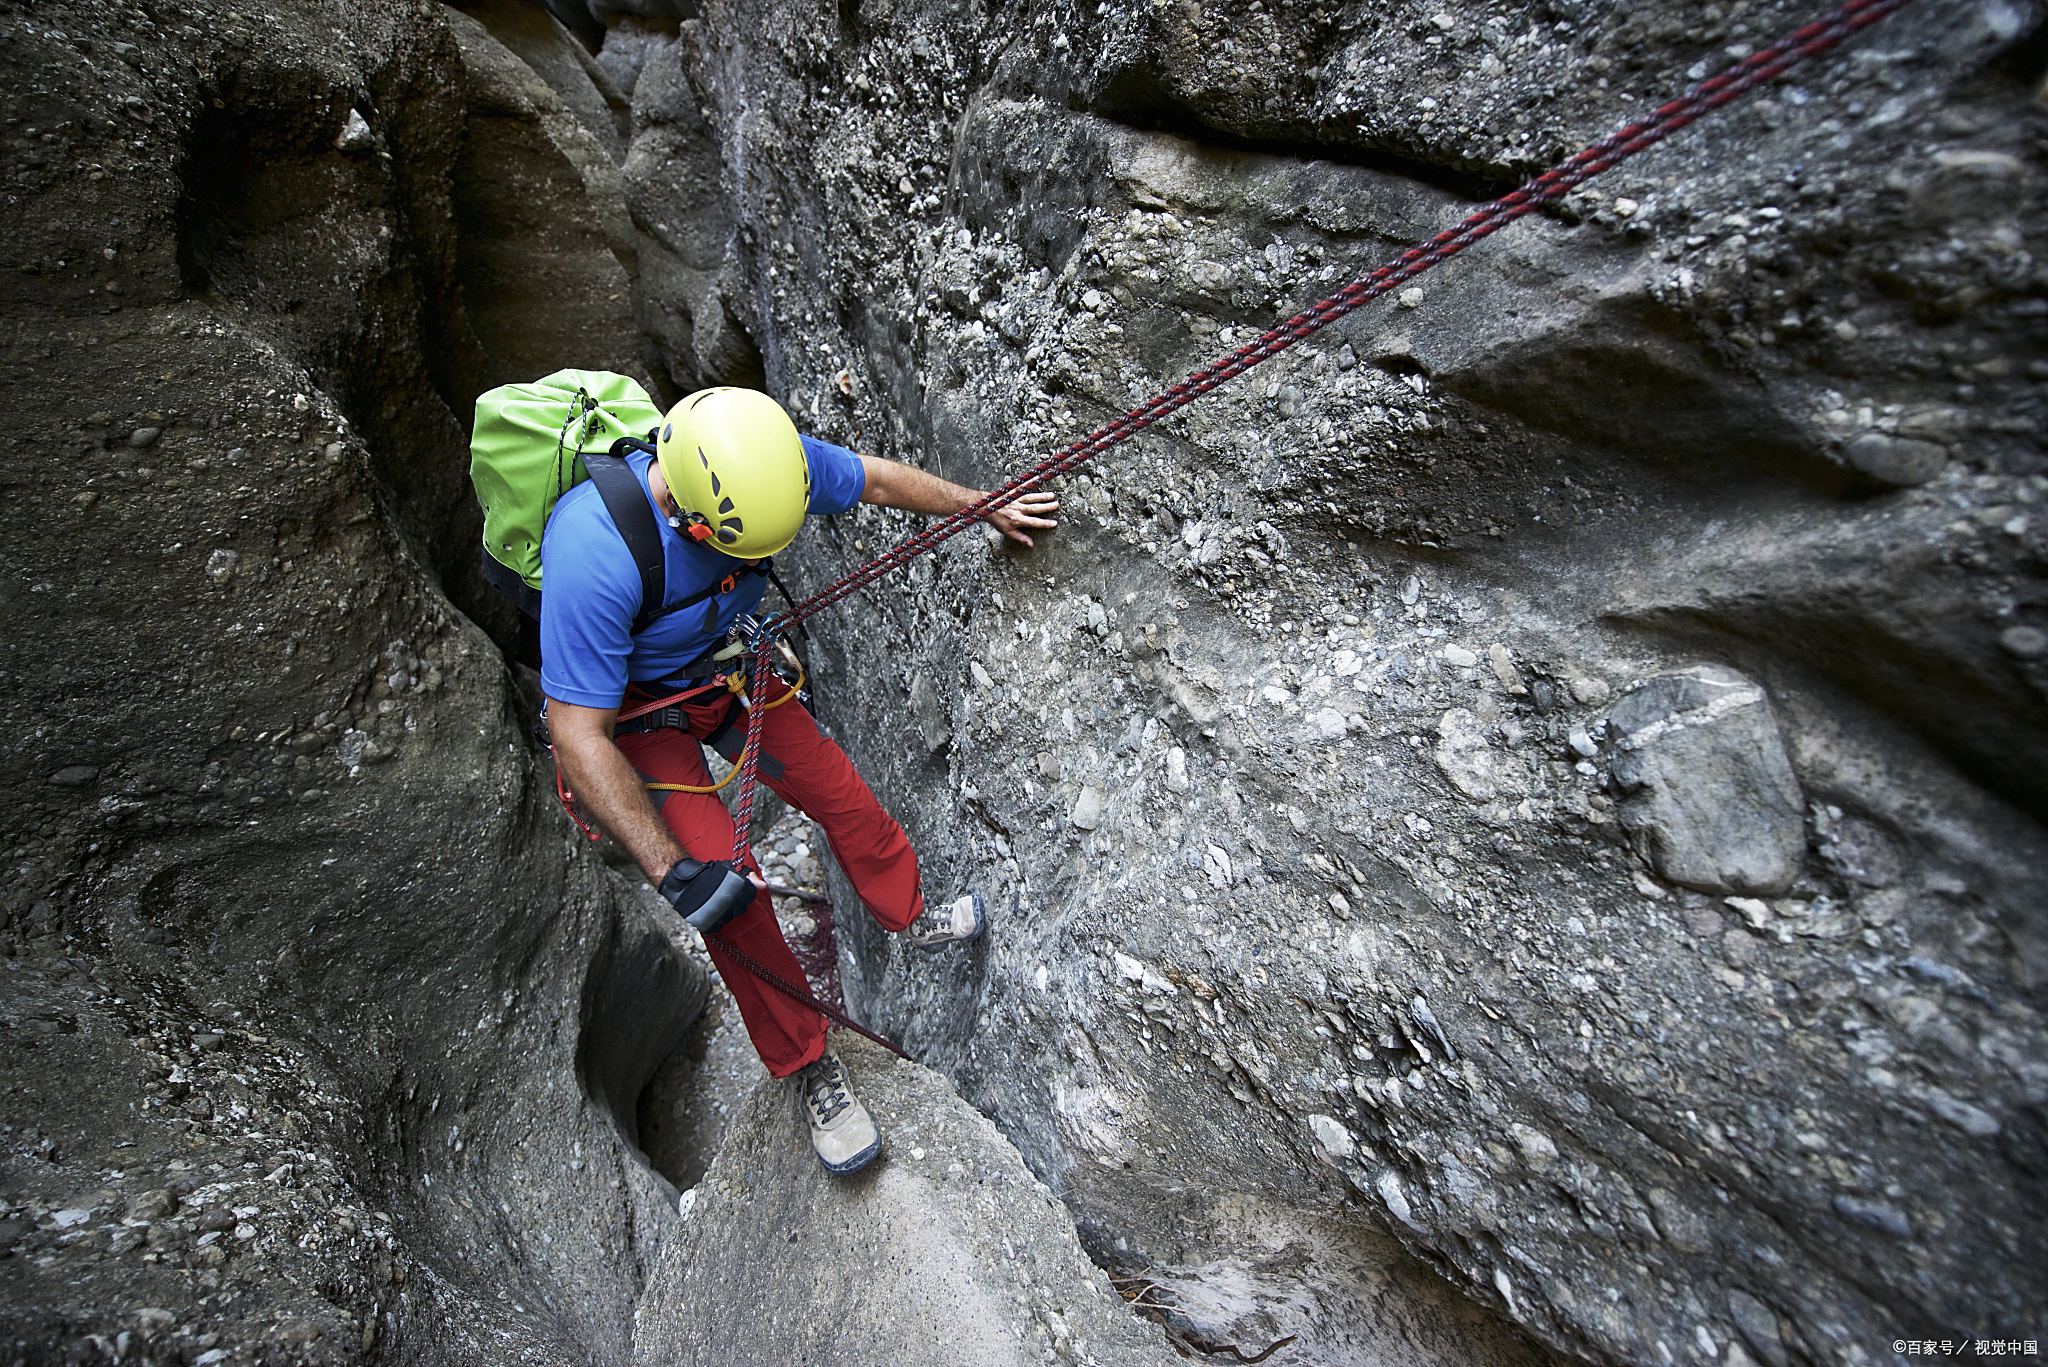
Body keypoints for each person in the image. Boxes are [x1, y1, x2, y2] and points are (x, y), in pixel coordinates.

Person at [540, 386, 1057, 1174]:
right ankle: (809, 1064)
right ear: (694, 516)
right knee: (729, 898)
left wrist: (983, 503)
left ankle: (907, 912)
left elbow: (877, 480)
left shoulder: (764, 466)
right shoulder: (593, 551)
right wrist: (670, 869)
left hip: (728, 668)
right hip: (639, 717)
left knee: (836, 788)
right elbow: (579, 735)